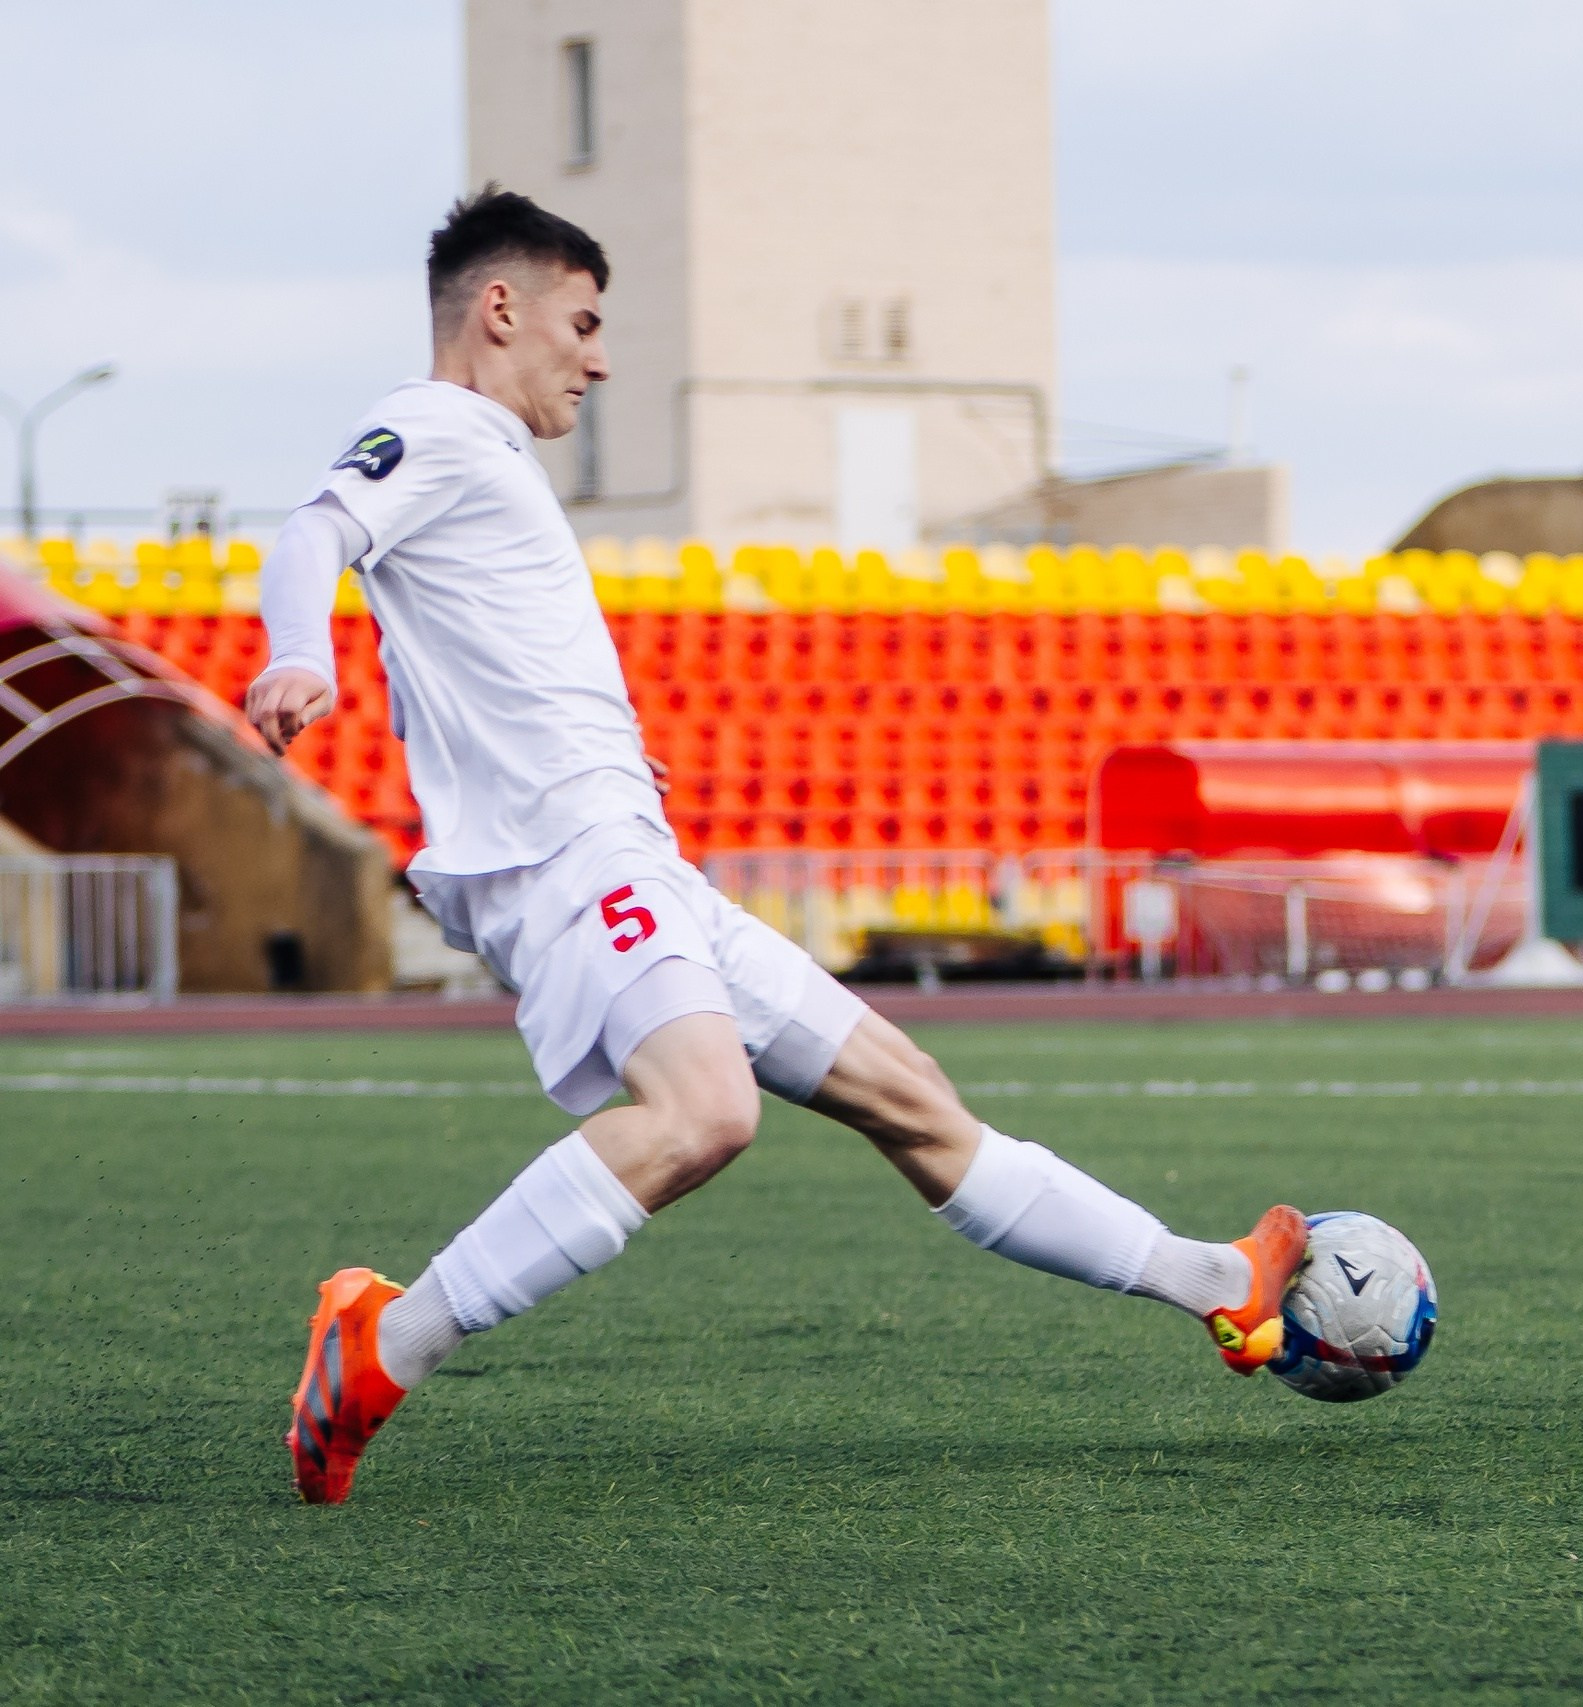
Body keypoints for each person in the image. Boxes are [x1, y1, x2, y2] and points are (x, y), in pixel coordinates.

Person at [251, 189, 1310, 1506]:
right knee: (705, 1111)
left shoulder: (488, 460)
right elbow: (313, 533)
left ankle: (1214, 1279)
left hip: (637, 857)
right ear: (501, 308)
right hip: (574, 862)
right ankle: (383, 1341)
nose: (601, 355)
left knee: (913, 1098)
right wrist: (299, 652)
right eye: (585, 322)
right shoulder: (438, 427)